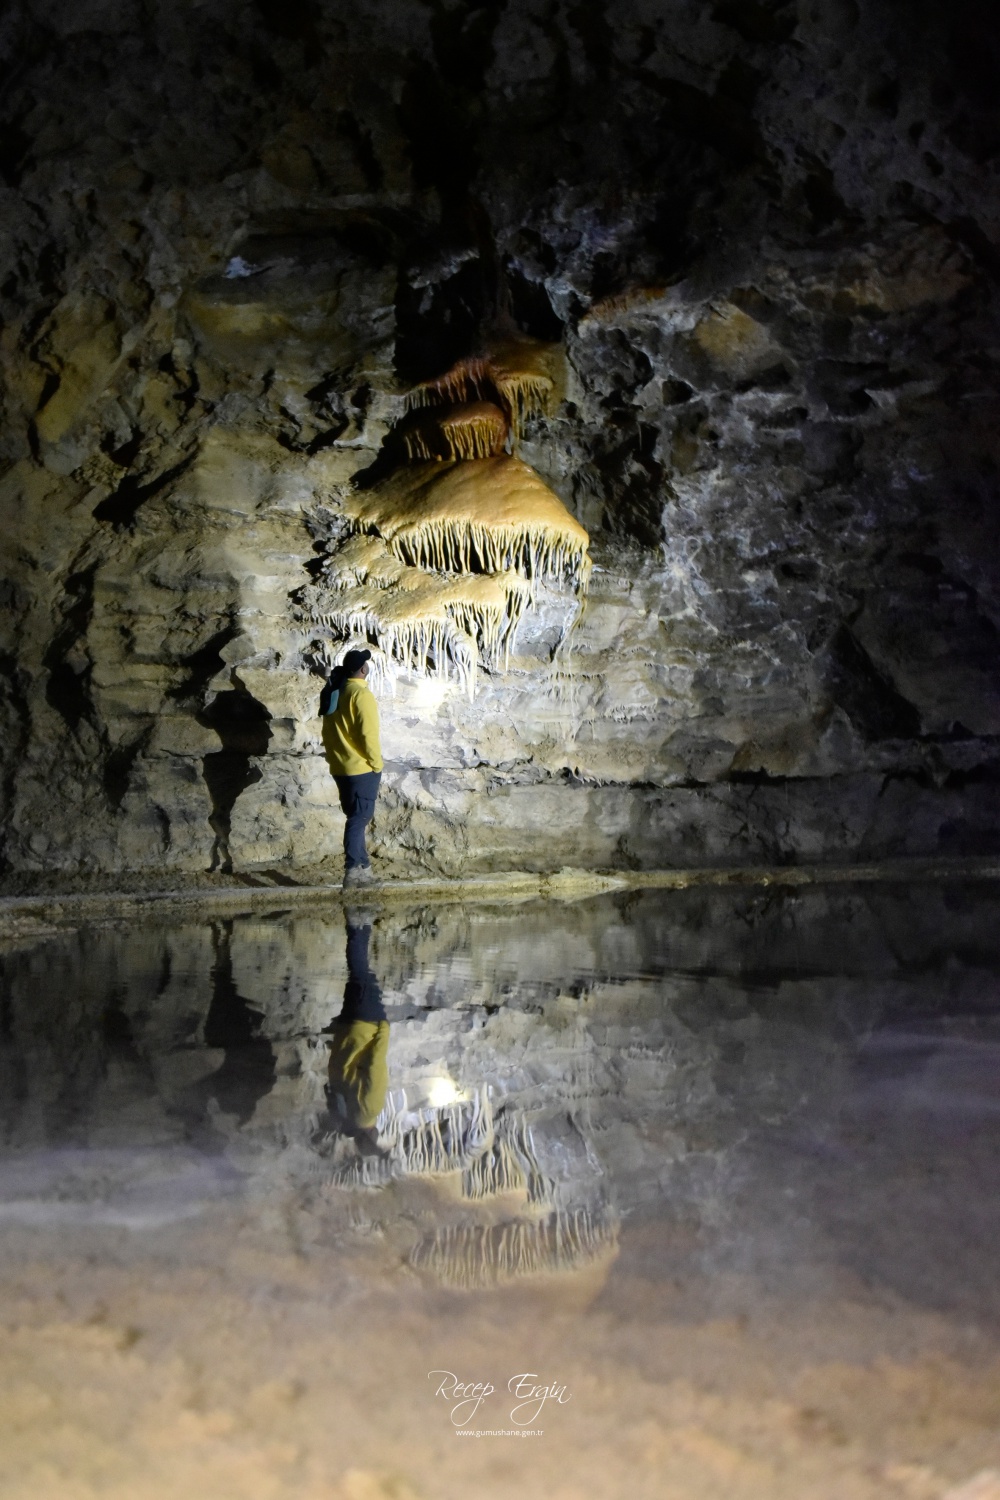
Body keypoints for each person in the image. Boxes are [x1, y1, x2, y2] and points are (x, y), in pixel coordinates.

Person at [320, 648, 383, 889]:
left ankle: (364, 870)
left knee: (355, 816)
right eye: (367, 663)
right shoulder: (361, 695)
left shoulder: (335, 691)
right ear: (364, 669)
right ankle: (353, 870)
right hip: (360, 768)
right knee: (359, 818)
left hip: (340, 766)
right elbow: (368, 735)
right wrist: (376, 764)